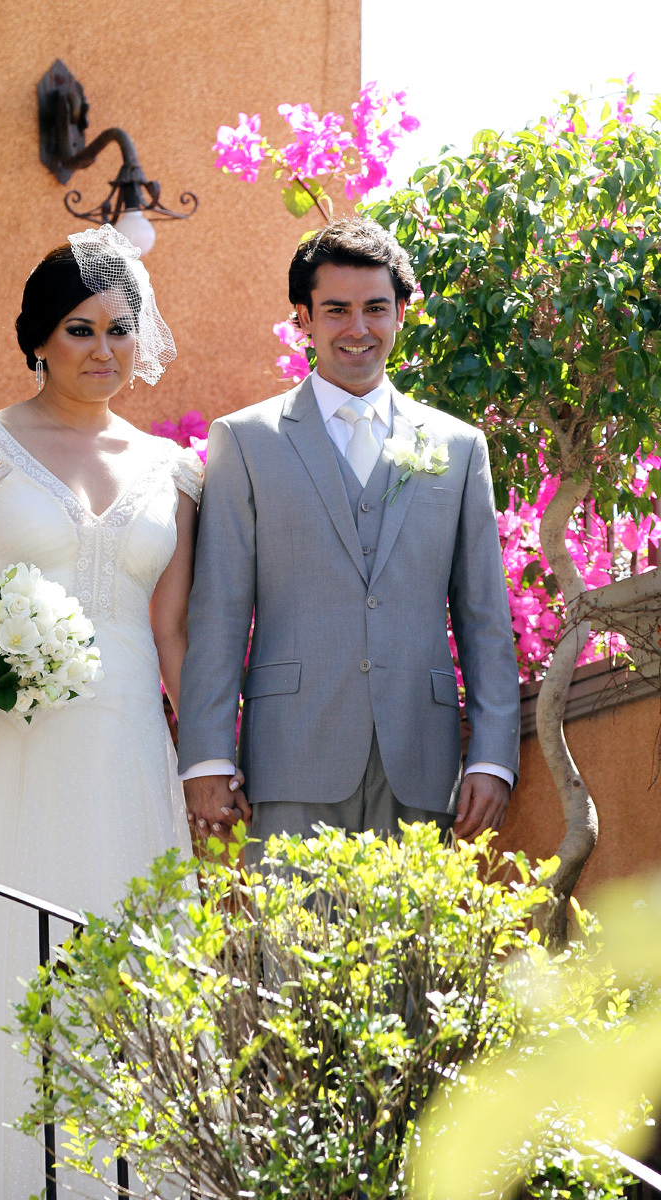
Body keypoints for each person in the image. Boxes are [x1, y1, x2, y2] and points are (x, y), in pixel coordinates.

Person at [0, 224, 222, 1197]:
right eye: (79, 330)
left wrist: (207, 759)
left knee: (119, 961)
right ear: (38, 338)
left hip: (125, 756)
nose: (103, 350)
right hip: (4, 754)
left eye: (119, 330)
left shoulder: (173, 472)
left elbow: (173, 631)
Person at [178, 217, 521, 863]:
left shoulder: (458, 447)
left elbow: (483, 614)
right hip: (288, 758)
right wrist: (206, 757)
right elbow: (218, 610)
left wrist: (493, 757)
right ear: (304, 318)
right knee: (288, 933)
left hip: (422, 764)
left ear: (400, 314)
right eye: (336, 309)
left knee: (414, 934)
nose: (357, 328)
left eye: (375, 308)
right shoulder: (245, 441)